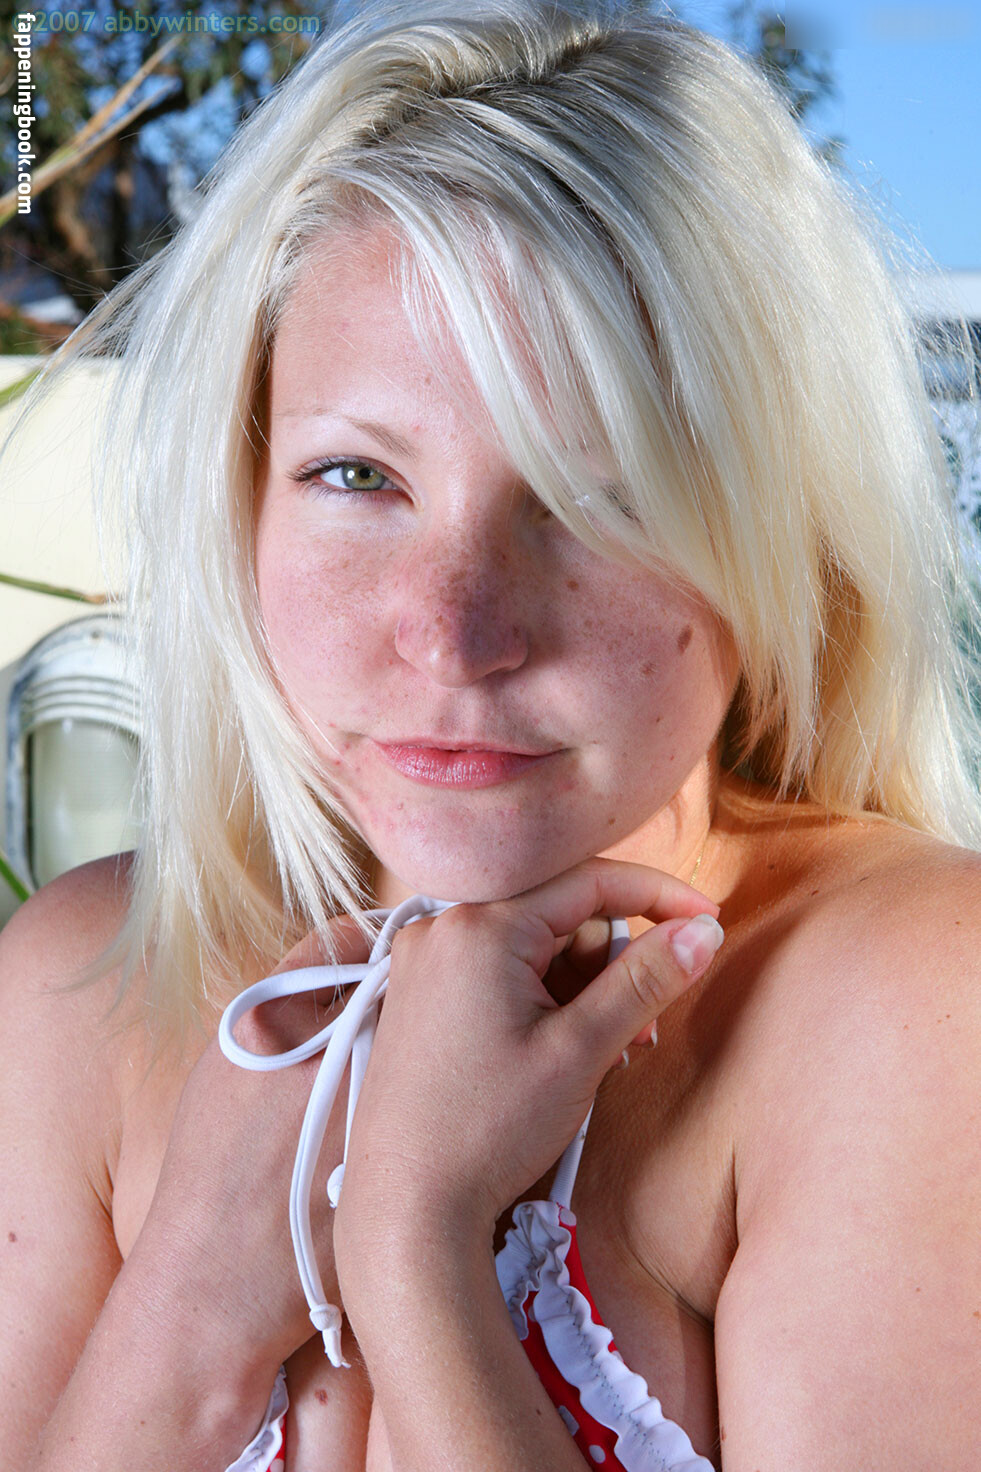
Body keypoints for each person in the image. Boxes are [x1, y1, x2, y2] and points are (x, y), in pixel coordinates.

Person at [1, 1, 979, 1467]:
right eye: (356, 476)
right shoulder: (79, 986)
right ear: (239, 498)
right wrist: (190, 1307)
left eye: (597, 498)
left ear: (783, 537)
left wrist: (417, 1249)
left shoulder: (913, 998)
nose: (454, 632)